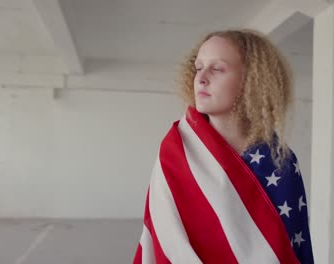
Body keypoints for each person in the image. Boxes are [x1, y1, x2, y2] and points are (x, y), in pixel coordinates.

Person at [133, 29, 314, 264]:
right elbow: (162, 237)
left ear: (251, 81)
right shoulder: (176, 150)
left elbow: (292, 247)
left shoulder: (281, 162)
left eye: (217, 69)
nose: (201, 78)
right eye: (198, 67)